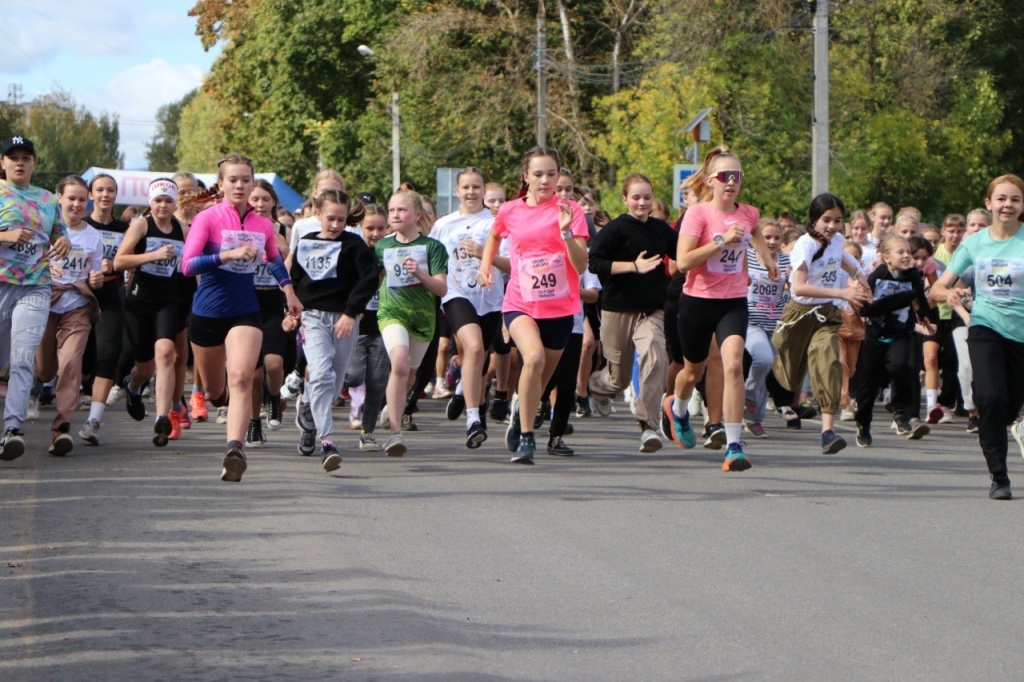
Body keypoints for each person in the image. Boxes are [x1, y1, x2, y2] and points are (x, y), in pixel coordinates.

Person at [182, 154, 302, 482]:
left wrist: (289, 292)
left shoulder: (263, 224)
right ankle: (216, 400)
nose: (239, 185)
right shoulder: (207, 219)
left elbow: (275, 260)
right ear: (221, 184)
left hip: (244, 311)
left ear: (252, 183)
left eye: (245, 179)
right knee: (216, 391)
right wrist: (227, 254)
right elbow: (187, 265)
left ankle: (234, 449)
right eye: (233, 180)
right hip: (207, 313)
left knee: (241, 378)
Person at [662, 146, 777, 471]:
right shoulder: (698, 214)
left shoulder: (749, 212)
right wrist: (722, 241)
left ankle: (734, 446)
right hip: (697, 302)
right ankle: (678, 406)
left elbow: (753, 231)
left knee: (732, 366)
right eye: (725, 176)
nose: (732, 182)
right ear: (711, 181)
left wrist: (767, 260)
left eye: (737, 176)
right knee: (692, 371)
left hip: (733, 302)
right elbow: (683, 262)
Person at [478, 146, 589, 464]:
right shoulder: (510, 210)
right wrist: (485, 266)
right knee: (534, 357)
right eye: (538, 174)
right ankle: (527, 438)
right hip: (520, 302)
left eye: (551, 174)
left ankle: (519, 411)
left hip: (560, 308)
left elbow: (580, 266)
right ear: (525, 177)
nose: (545, 180)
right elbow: (495, 236)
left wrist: (566, 232)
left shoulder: (570, 210)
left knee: (539, 380)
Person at [932, 175, 1024, 499]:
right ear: (989, 203)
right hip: (985, 326)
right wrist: (950, 295)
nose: (1007, 205)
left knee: (1009, 405)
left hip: (1021, 334)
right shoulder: (974, 243)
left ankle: (1012, 421)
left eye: (1015, 199)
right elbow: (937, 287)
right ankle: (999, 475)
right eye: (1001, 199)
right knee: (989, 398)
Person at [770, 193, 872, 455]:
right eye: (826, 220)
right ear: (814, 219)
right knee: (789, 377)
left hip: (826, 315)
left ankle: (827, 431)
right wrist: (841, 293)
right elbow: (801, 287)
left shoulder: (837, 240)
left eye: (838, 220)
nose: (832, 226)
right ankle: (774, 384)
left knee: (829, 359)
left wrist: (860, 275)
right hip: (799, 313)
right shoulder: (804, 245)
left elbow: (842, 258)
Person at [285, 189, 378, 471]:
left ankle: (308, 408)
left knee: (335, 383)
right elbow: (295, 281)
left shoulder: (355, 245)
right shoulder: (306, 243)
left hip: (345, 319)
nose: (336, 225)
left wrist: (351, 312)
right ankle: (328, 442)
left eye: (341, 219)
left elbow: (369, 279)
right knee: (322, 373)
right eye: (330, 219)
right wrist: (290, 312)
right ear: (317, 214)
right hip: (313, 318)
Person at [588, 172, 677, 452]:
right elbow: (595, 264)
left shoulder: (662, 230)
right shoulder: (615, 229)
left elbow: (683, 255)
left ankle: (647, 426)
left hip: (651, 309)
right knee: (618, 379)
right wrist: (632, 266)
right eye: (636, 197)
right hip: (617, 309)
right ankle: (596, 387)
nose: (642, 202)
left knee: (655, 354)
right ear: (625, 199)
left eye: (647, 197)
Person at [0, 136, 71, 461]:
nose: (19, 162)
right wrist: (6, 236)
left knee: (23, 358)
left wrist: (64, 243)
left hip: (36, 285)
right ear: (2, 162)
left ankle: (12, 428)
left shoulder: (45, 198)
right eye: (12, 157)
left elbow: (60, 233)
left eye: (26, 157)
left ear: (34, 164)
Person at [432, 167, 508, 448]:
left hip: (489, 297)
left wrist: (485, 255)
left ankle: (465, 388)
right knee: (474, 348)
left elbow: (513, 264)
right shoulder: (444, 224)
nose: (471, 192)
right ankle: (474, 418)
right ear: (457, 191)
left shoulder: (496, 223)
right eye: (466, 187)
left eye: (477, 187)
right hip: (456, 293)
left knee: (481, 356)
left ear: (484, 191)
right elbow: (432, 259)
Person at [114, 178, 188, 447]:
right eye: (158, 200)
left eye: (168, 201)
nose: (163, 206)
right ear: (150, 202)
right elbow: (119, 260)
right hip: (138, 301)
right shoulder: (141, 225)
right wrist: (152, 256)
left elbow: (192, 261)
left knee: (166, 353)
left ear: (175, 203)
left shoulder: (182, 229)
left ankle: (162, 416)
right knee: (144, 368)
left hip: (168, 300)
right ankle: (133, 387)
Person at [375, 189, 448, 457]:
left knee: (410, 373)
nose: (395, 214)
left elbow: (441, 289)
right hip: (392, 313)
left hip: (423, 318)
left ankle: (391, 406)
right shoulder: (382, 246)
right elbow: (374, 277)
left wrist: (420, 273)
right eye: (391, 210)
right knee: (400, 364)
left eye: (401, 210)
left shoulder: (433, 247)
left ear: (417, 215)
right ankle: (396, 433)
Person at [35, 176, 104, 456]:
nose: (76, 204)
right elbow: (27, 260)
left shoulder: (93, 236)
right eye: (71, 198)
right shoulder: (43, 229)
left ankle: (61, 429)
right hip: (45, 303)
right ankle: (40, 385)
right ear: (59, 198)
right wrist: (45, 269)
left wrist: (96, 279)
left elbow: (95, 273)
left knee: (71, 365)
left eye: (82, 199)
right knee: (45, 370)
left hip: (77, 306)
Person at [853, 236, 933, 446]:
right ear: (886, 257)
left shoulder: (913, 275)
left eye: (908, 252)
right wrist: (899, 300)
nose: (907, 256)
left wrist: (924, 316)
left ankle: (900, 412)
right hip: (876, 335)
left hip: (901, 332)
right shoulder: (877, 276)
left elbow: (919, 300)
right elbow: (865, 309)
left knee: (902, 366)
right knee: (868, 386)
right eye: (901, 252)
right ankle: (863, 424)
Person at [79, 173, 129, 444]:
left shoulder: (124, 229)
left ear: (116, 195)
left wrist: (115, 267)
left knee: (108, 355)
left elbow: (132, 260)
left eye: (110, 190)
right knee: (83, 360)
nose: (105, 195)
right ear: (91, 194)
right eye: (99, 190)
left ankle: (93, 421)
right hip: (78, 298)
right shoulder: (80, 225)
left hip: (112, 297)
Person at [343, 204, 391, 451]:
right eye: (370, 228)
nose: (375, 233)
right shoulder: (354, 251)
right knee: (352, 375)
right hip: (357, 326)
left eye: (381, 228)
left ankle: (367, 432)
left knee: (377, 381)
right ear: (360, 228)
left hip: (384, 325)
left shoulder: (391, 252)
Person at [247, 179, 292, 444]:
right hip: (247, 303)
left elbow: (292, 266)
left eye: (265, 199)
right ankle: (254, 423)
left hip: (275, 302)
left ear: (274, 202)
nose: (260, 204)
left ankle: (274, 397)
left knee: (274, 364)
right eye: (255, 199)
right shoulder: (240, 228)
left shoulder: (285, 230)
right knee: (253, 374)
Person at [743, 218, 790, 437]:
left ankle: (755, 418)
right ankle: (746, 397)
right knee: (763, 359)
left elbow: (795, 286)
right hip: (751, 321)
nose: (771, 242)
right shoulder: (748, 257)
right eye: (766, 237)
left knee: (767, 369)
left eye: (776, 237)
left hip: (776, 323)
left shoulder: (787, 261)